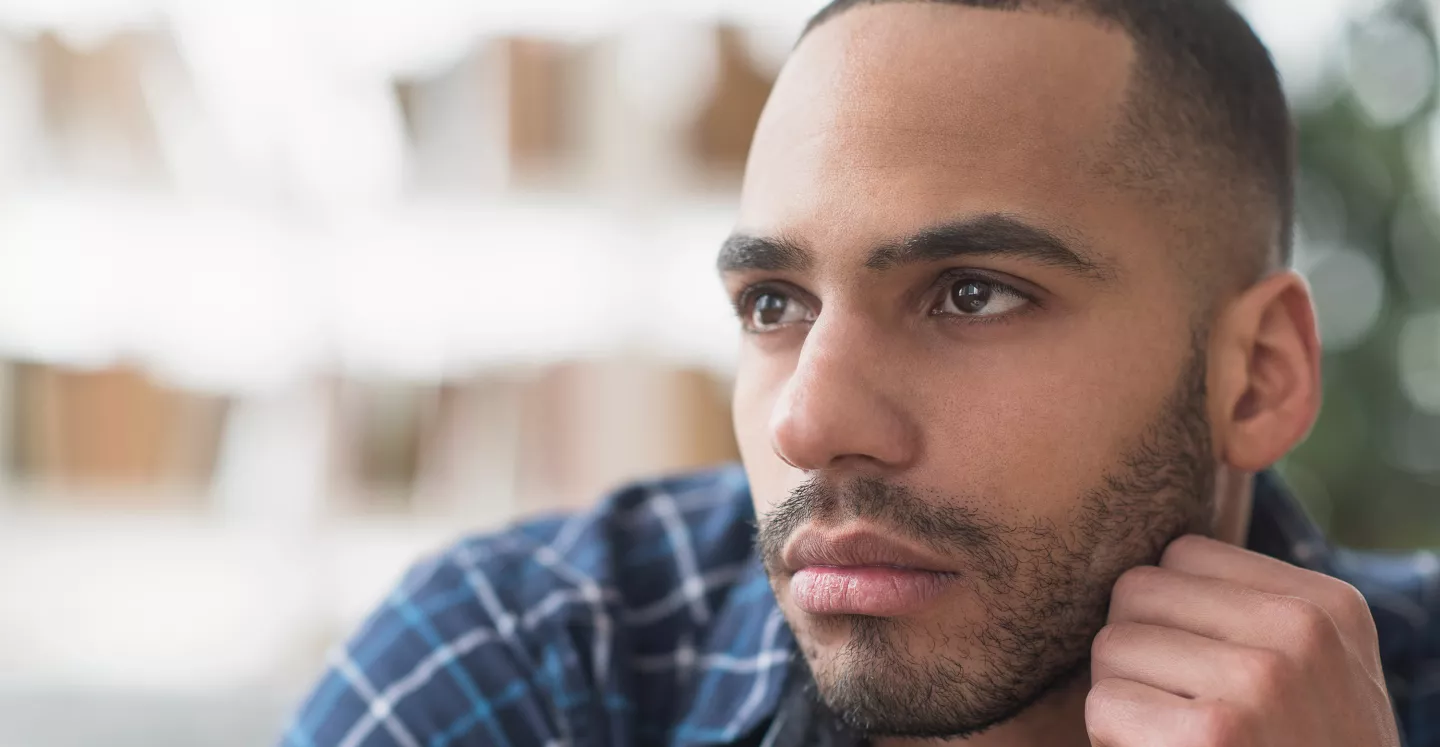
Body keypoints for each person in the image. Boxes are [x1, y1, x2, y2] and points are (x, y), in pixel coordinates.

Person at [281, 1, 1439, 745]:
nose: (809, 421)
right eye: (773, 305)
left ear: (1256, 377)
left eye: (971, 293)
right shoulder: (530, 667)